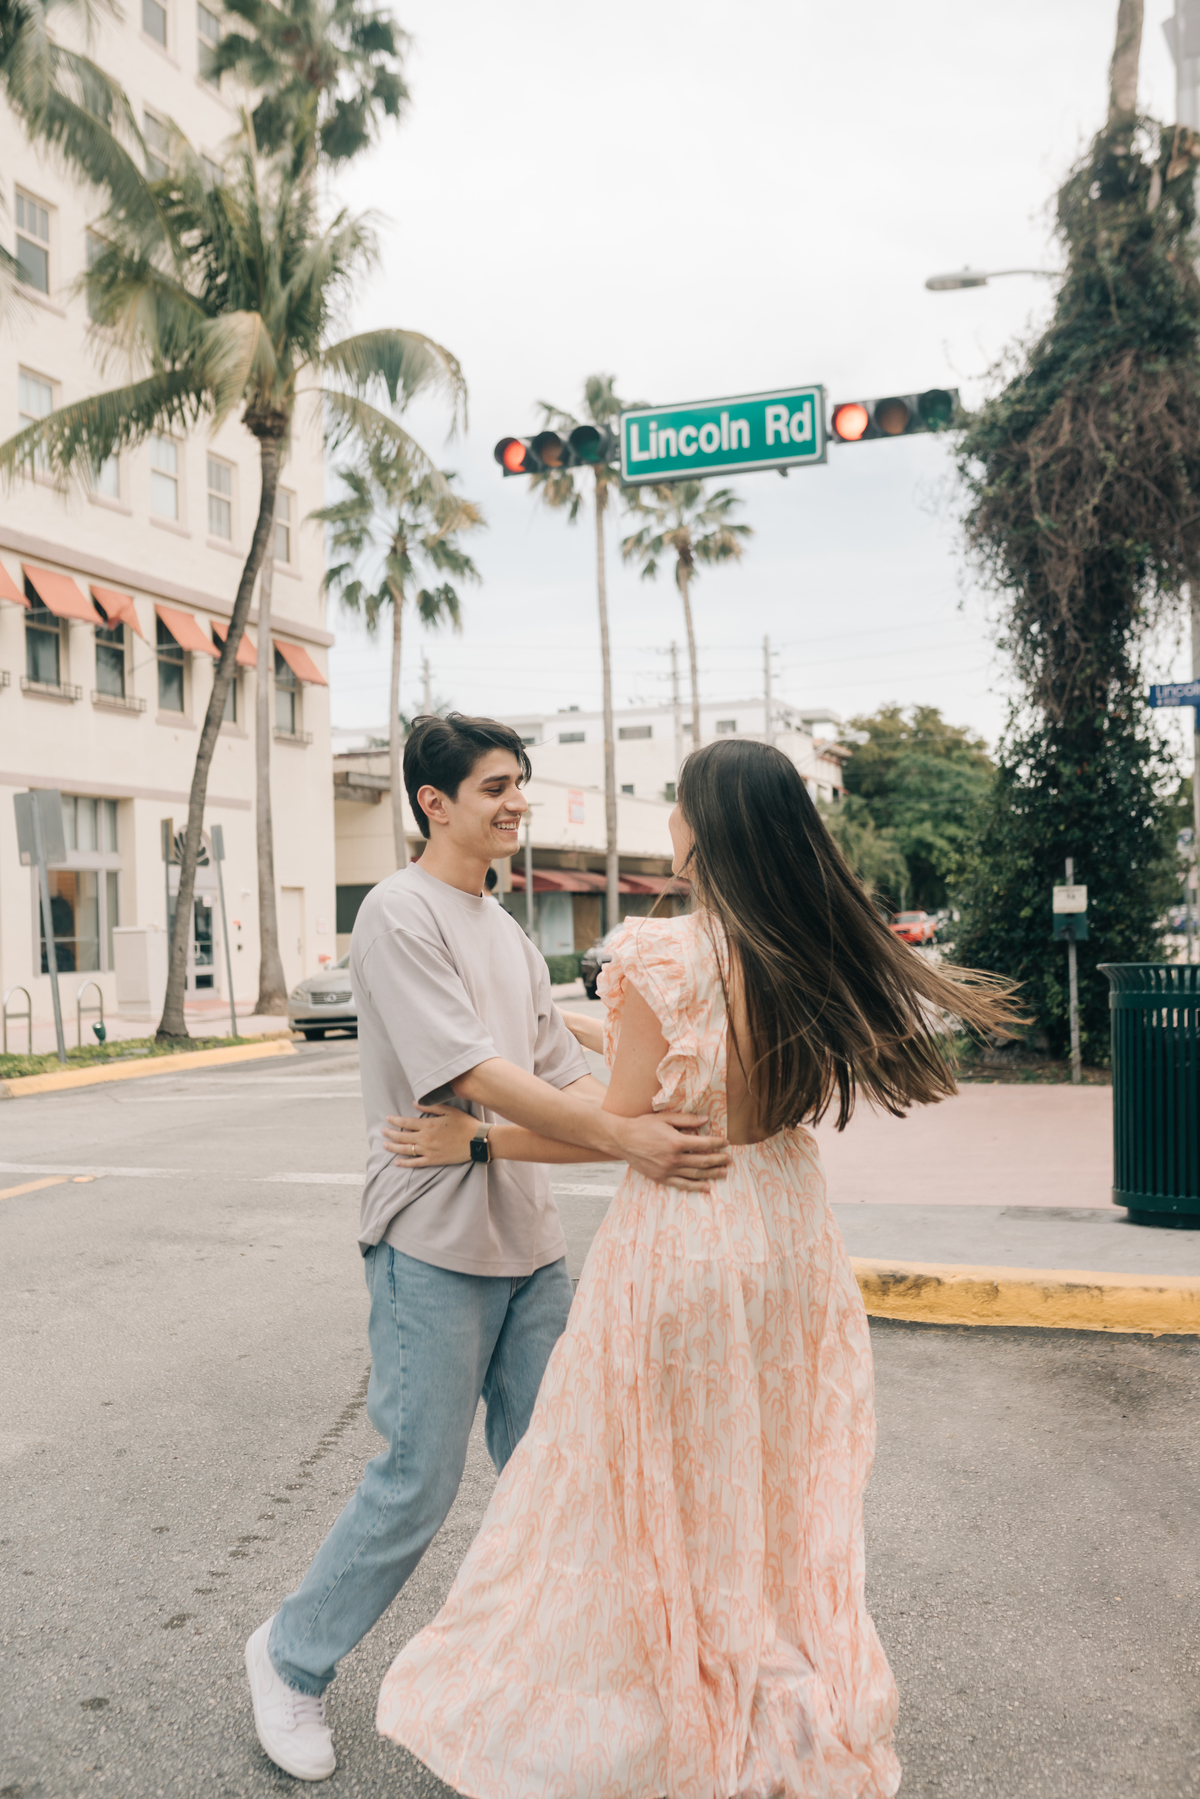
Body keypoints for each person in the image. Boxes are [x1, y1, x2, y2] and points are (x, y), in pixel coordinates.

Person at [376, 736, 1020, 1799]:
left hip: (683, 1238)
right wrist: (585, 1023)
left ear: (702, 826)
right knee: (764, 1484)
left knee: (655, 1488)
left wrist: (479, 1139)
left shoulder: (661, 954)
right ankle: (779, 1696)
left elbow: (620, 1128)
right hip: (786, 1235)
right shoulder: (803, 942)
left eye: (675, 803)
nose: (667, 821)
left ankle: (678, 1693)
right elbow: (696, 1056)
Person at [244, 713, 731, 1783]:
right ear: (434, 802)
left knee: (551, 1471)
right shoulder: (399, 914)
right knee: (417, 1477)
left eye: (520, 781)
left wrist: (647, 1103)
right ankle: (288, 1658)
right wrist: (622, 1137)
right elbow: (467, 1072)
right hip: (430, 1233)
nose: (517, 801)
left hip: (527, 1243)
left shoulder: (505, 931)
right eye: (497, 786)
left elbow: (557, 1075)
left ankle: (565, 1683)